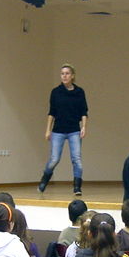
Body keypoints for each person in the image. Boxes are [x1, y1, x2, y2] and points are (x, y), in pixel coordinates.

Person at [38, 64, 88, 196]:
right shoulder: (56, 92)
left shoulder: (79, 92)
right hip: (58, 131)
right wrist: (48, 130)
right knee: (54, 159)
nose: (64, 76)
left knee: (76, 159)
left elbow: (84, 112)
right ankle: (44, 179)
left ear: (72, 76)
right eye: (62, 74)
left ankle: (77, 187)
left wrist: (84, 127)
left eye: (67, 73)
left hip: (74, 130)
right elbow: (52, 112)